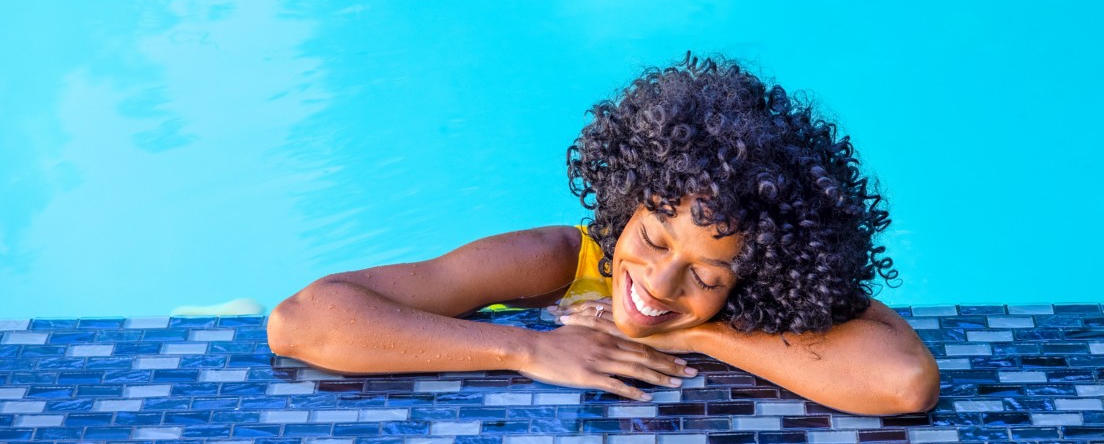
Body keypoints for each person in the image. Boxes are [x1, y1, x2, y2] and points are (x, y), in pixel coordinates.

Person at [267, 54, 940, 415]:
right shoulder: (559, 261)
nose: (659, 282)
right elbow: (304, 321)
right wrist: (527, 353)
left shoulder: (766, 298)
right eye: (653, 238)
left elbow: (904, 383)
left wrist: (691, 332)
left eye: (707, 277)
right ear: (630, 198)